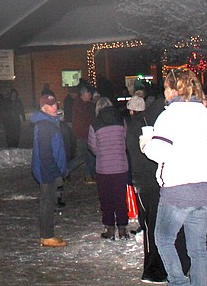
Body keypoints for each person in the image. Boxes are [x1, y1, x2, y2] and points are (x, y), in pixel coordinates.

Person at [142, 67, 207, 286]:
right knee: (198, 248)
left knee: (163, 239)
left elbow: (158, 152)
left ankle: (179, 282)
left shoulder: (168, 117)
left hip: (178, 190)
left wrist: (147, 144)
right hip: (204, 191)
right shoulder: (205, 117)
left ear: (172, 89)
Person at [126, 93, 169, 282]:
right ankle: (152, 269)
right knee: (154, 225)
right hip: (150, 181)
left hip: (146, 181)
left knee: (153, 225)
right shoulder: (144, 127)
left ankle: (157, 267)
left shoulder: (136, 125)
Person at [88, 95, 130, 239]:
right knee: (120, 198)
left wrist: (102, 153)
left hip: (104, 168)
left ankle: (110, 228)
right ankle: (123, 228)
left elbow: (93, 147)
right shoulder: (121, 121)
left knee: (106, 199)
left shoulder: (95, 124)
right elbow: (126, 141)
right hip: (120, 165)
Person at [31, 91, 68, 247]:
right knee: (48, 203)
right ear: (43, 108)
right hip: (47, 172)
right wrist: (55, 173)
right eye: (50, 105)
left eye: (55, 104)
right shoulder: (46, 125)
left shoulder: (50, 122)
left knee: (49, 202)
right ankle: (47, 236)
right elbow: (45, 154)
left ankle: (46, 235)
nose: (54, 107)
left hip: (49, 171)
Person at [69, 85, 96, 182]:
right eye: (89, 94)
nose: (90, 96)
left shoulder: (84, 104)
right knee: (82, 156)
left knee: (90, 155)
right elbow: (82, 122)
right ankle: (64, 171)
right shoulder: (80, 105)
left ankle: (89, 175)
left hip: (86, 134)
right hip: (82, 135)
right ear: (83, 94)